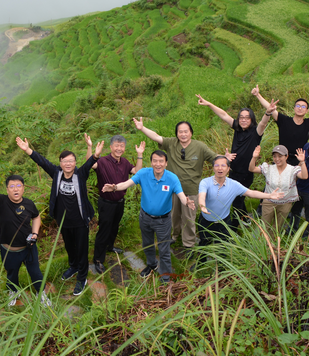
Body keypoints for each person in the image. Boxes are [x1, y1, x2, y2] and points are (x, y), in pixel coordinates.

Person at [16, 137, 102, 296]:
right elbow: (42, 162)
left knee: (82, 249)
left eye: (71, 161)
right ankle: (73, 267)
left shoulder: (80, 175)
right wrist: (27, 150)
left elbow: (90, 164)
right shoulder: (56, 173)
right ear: (60, 163)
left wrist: (95, 155)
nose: (68, 164)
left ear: (75, 163)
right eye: (64, 161)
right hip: (63, 221)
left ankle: (82, 277)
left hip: (80, 220)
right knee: (69, 246)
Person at [102, 150, 196, 283]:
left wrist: (186, 201)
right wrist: (114, 187)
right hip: (145, 217)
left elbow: (181, 195)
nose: (158, 164)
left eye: (161, 161)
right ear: (151, 162)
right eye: (155, 161)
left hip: (163, 220)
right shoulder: (143, 173)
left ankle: (165, 275)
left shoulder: (172, 178)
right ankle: (151, 265)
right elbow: (126, 183)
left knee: (164, 248)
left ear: (166, 163)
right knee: (147, 244)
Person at [133, 117, 220, 249]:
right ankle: (174, 236)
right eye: (180, 132)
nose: (183, 134)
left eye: (186, 131)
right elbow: (156, 137)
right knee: (173, 214)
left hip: (191, 189)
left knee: (188, 217)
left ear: (191, 132)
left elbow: (215, 159)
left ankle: (188, 243)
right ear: (177, 133)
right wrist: (142, 128)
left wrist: (225, 158)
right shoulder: (171, 143)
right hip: (171, 188)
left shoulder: (200, 147)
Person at [0, 169, 51, 307]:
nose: (15, 189)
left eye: (18, 186)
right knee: (12, 273)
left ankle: (40, 293)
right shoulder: (2, 201)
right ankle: (13, 291)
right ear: (7, 189)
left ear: (23, 188)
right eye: (11, 186)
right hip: (9, 249)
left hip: (29, 247)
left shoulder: (29, 204)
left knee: (35, 272)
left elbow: (36, 217)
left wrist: (35, 233)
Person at [196, 94, 275, 221]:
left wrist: (267, 113)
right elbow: (223, 115)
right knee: (237, 199)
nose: (243, 120)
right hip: (232, 170)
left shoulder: (256, 132)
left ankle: (237, 223)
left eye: (247, 118)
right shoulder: (237, 129)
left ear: (251, 119)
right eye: (241, 117)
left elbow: (263, 123)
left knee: (237, 200)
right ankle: (244, 218)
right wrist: (209, 104)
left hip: (246, 172)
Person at [84, 133, 144, 274]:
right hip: (106, 203)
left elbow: (137, 172)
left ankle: (109, 246)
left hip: (119, 202)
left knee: (114, 226)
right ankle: (98, 259)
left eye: (122, 146)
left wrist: (140, 155)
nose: (119, 148)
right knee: (104, 229)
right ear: (111, 147)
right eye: (116, 145)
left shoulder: (125, 162)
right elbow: (89, 163)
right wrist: (90, 147)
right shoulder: (103, 161)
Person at [197, 156, 285, 246]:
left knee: (223, 247)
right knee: (204, 244)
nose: (220, 168)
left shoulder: (234, 185)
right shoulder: (205, 182)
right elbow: (202, 195)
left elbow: (251, 193)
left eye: (223, 165)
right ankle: (201, 260)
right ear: (213, 168)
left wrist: (269, 195)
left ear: (228, 169)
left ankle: (220, 259)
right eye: (217, 165)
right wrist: (202, 206)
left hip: (224, 222)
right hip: (205, 221)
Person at [252, 85, 309, 165]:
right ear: (294, 108)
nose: (300, 108)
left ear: (307, 110)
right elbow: (270, 108)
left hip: (299, 160)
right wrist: (257, 95)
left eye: (303, 106)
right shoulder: (284, 120)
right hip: (281, 158)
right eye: (298, 106)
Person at [248, 145, 308, 238]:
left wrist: (302, 162)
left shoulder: (292, 170)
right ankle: (261, 243)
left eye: (280, 156)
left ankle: (272, 244)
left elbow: (304, 176)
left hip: (285, 203)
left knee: (278, 226)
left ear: (286, 156)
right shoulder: (269, 168)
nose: (277, 159)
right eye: (275, 156)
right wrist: (254, 157)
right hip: (269, 202)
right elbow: (252, 169)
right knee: (265, 225)